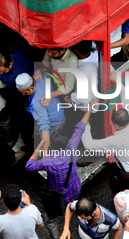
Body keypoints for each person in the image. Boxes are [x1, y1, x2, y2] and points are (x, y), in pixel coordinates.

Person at [25, 98, 98, 239]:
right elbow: (80, 127)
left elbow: (29, 166)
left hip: (58, 196)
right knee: (78, 208)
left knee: (51, 220)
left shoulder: (49, 162)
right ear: (65, 143)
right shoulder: (71, 146)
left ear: (53, 142)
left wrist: (39, 148)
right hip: (75, 189)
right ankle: (85, 223)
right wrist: (89, 108)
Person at [82, 72, 129, 194]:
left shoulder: (116, 141)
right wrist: (118, 82)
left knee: (115, 186)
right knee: (127, 186)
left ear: (116, 125)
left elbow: (88, 145)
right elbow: (127, 99)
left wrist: (86, 127)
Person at [0, 47, 35, 154]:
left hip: (24, 100)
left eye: (3, 71)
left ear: (10, 65)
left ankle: (30, 148)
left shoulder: (12, 78)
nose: (1, 73)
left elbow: (2, 80)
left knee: (25, 125)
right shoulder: (17, 53)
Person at [15, 72, 65, 153]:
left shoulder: (37, 102)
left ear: (31, 88)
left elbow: (44, 126)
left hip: (54, 123)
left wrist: (45, 151)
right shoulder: (42, 77)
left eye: (25, 93)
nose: (24, 95)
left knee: (55, 142)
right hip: (58, 112)